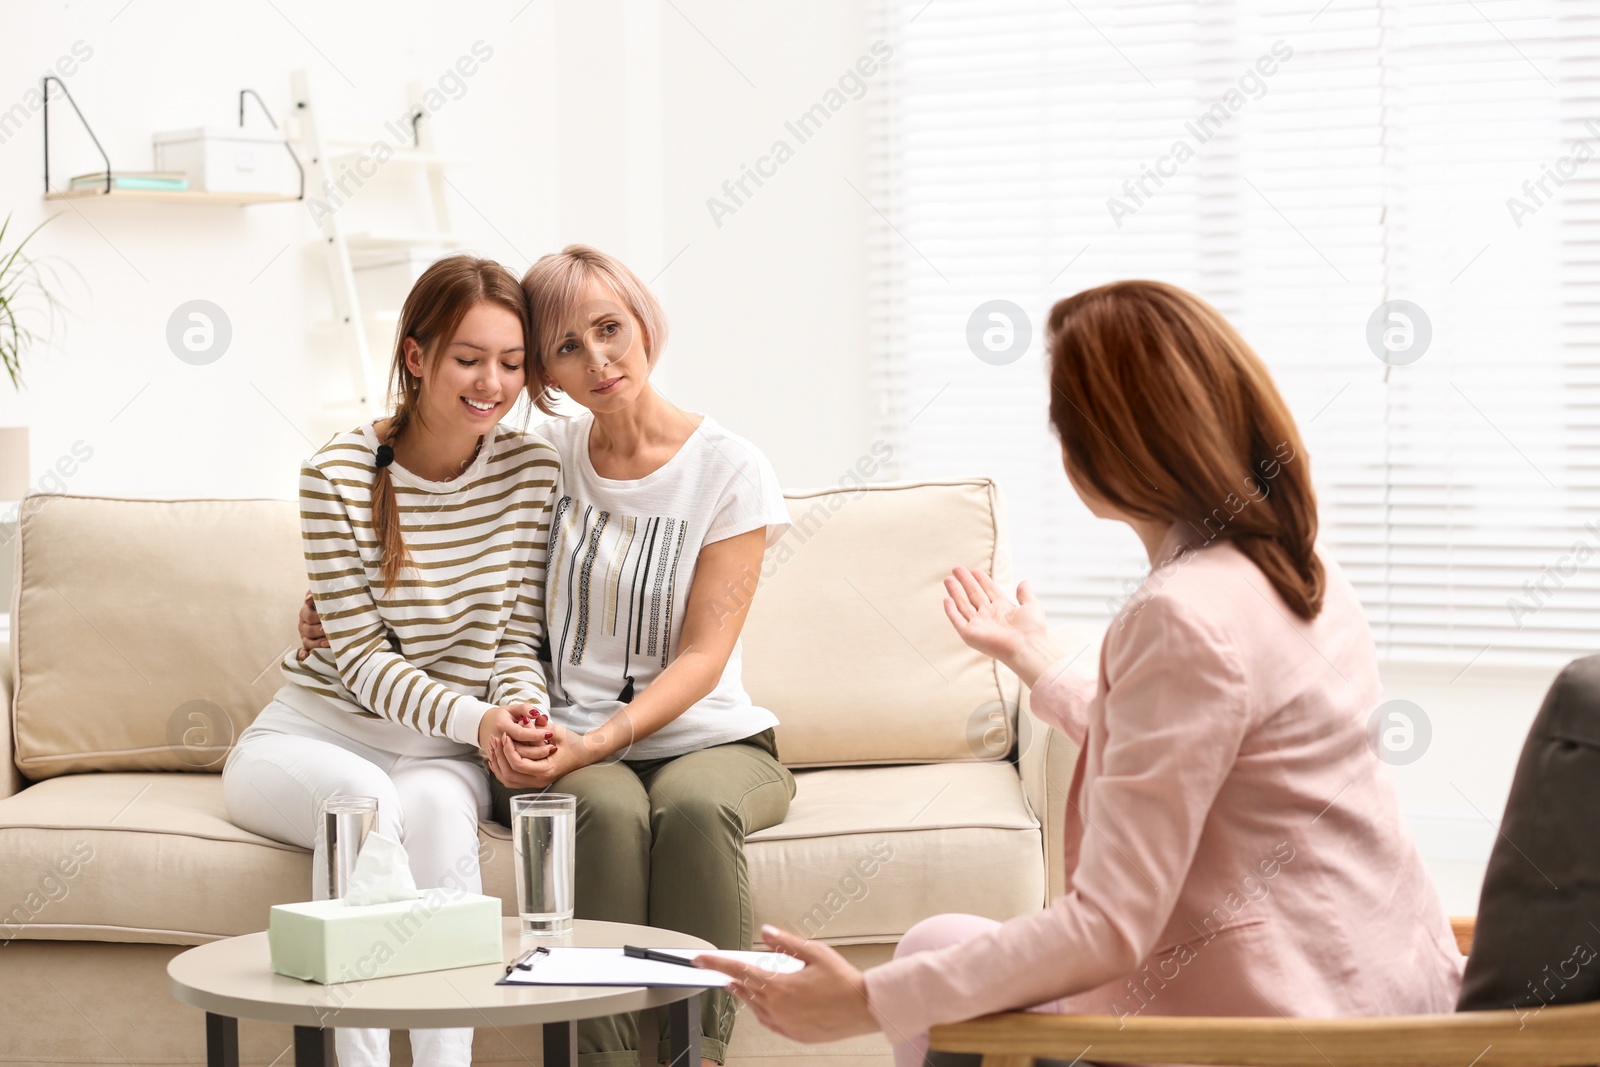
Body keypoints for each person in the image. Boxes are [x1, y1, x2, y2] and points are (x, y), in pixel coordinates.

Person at [696, 280, 1464, 1064]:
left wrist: (862, 1001)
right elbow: (1201, 758)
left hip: (1278, 1025)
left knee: (935, 963)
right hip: (1389, 989)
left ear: (1103, 452)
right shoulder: (1300, 568)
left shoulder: (1182, 614)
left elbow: (1110, 925)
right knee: (939, 942)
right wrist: (1033, 656)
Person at [301, 245, 796, 1067]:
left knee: (696, 814)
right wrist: (332, 611)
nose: (598, 360)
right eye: (567, 346)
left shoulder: (730, 469)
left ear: (645, 324)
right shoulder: (543, 459)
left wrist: (602, 738)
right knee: (597, 812)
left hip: (709, 736)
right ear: (547, 376)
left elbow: (706, 654)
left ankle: (694, 1055)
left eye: (610, 329)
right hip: (565, 732)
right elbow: (439, 530)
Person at [228, 254, 560, 1067]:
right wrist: (477, 717)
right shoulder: (333, 474)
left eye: (512, 364)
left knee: (442, 815)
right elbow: (363, 662)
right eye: (468, 358)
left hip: (442, 749)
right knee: (362, 798)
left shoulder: (531, 471)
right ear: (417, 357)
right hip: (314, 734)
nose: (492, 382)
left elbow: (518, 635)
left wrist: (520, 712)